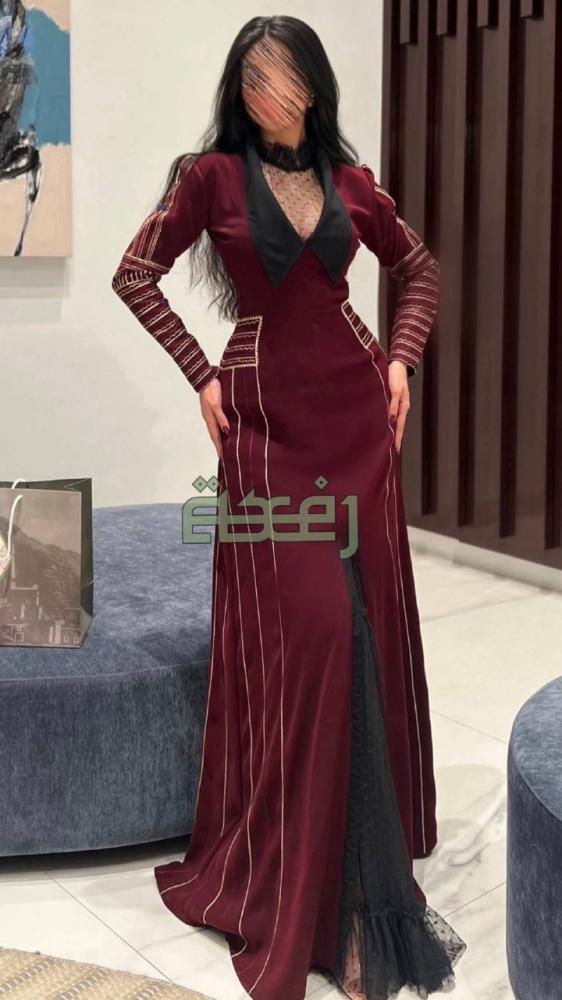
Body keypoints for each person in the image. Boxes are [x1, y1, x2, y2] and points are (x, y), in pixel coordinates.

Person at [111, 15, 467, 1000]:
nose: (268, 92)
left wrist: (401, 359)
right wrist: (201, 374)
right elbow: (134, 274)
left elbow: (420, 270)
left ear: (313, 84)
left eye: (284, 74)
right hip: (265, 432)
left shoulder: (353, 184)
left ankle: (360, 901)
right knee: (315, 640)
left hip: (357, 423)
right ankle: (306, 890)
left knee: (364, 635)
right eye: (253, 76)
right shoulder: (208, 178)